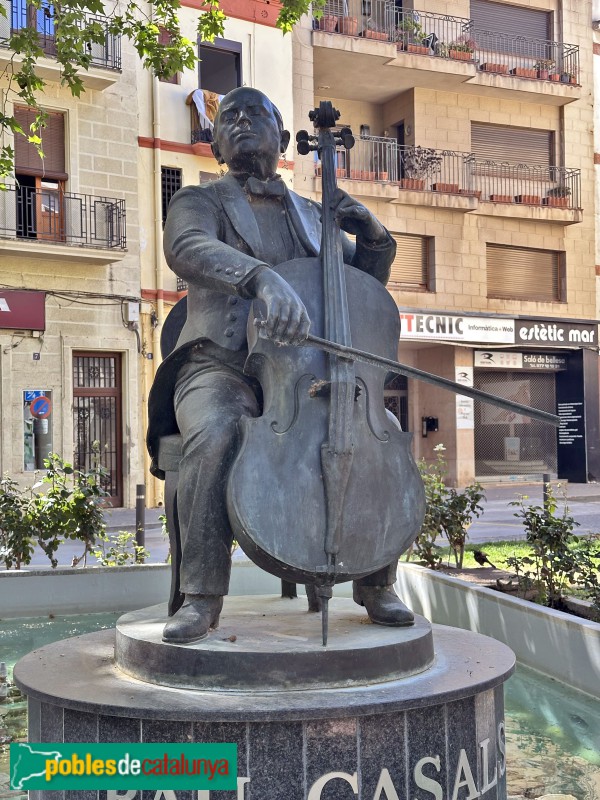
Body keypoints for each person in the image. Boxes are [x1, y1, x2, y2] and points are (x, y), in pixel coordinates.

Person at [147, 87, 415, 644]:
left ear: (284, 137)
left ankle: (375, 581)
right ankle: (201, 597)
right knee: (216, 433)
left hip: (303, 373)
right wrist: (259, 278)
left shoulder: (316, 215)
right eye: (230, 116)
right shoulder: (198, 202)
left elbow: (356, 291)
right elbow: (186, 247)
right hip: (219, 366)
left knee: (379, 429)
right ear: (216, 145)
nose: (242, 121)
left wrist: (374, 238)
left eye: (257, 113)